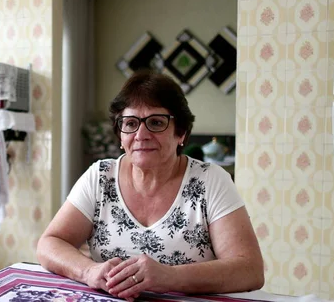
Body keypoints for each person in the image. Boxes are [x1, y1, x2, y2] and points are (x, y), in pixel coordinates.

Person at [36, 70, 264, 301]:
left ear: (181, 133)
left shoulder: (211, 181)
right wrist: (88, 271)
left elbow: (250, 270)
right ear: (120, 135)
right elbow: (50, 243)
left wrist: (170, 277)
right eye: (131, 123)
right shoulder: (100, 177)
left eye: (156, 122)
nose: (141, 134)